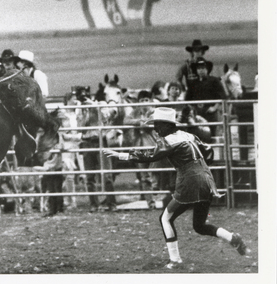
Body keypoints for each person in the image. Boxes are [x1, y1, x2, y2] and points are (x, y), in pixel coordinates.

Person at [104, 107, 250, 269]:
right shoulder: (188, 136)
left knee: (165, 218)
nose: (156, 128)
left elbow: (151, 156)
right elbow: (208, 151)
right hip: (207, 179)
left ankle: (175, 259)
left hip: (189, 181)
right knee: (199, 226)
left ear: (167, 125)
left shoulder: (167, 141)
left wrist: (122, 155)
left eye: (158, 125)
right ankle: (232, 237)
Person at [123, 90, 157, 208]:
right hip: (138, 145)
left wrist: (146, 123)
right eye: (141, 100)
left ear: (150, 101)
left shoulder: (154, 111)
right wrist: (138, 122)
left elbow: (155, 121)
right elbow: (126, 120)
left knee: (156, 174)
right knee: (144, 176)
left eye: (146, 100)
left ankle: (162, 198)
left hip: (153, 145)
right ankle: (150, 202)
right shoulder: (135, 112)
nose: (144, 103)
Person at [186, 57, 227, 136]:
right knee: (197, 134)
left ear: (207, 69)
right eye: (199, 68)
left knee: (212, 135)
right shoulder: (192, 83)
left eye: (203, 68)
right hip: (197, 114)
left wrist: (214, 108)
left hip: (210, 113)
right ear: (196, 70)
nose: (201, 70)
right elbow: (188, 99)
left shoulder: (214, 81)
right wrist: (192, 110)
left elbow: (222, 96)